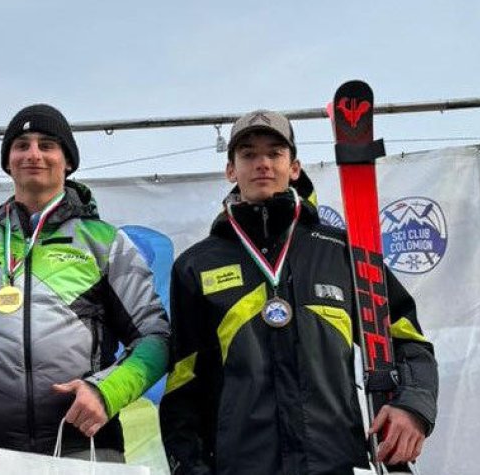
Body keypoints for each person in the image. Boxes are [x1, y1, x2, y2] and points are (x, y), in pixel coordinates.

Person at [160, 111, 439, 475]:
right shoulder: (196, 265)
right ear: (231, 170)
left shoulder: (341, 251)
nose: (262, 163)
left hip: (338, 463)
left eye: (275, 153)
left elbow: (407, 340)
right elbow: (183, 387)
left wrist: (413, 405)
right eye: (248, 154)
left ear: (294, 167)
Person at [0, 104, 170, 474]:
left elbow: (156, 340)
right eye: (22, 145)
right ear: (8, 162)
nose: (33, 154)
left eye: (47, 145)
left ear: (68, 161)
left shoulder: (104, 242)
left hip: (86, 443)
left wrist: (105, 392)